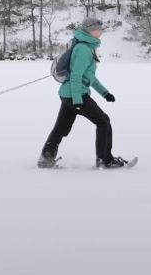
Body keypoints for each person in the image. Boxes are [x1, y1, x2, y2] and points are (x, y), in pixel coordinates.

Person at [39, 18, 129, 168]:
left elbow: (89, 77)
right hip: (76, 94)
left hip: (68, 94)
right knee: (103, 121)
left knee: (61, 128)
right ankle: (105, 159)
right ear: (90, 30)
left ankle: (45, 159)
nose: (101, 32)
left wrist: (105, 93)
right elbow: (76, 76)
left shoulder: (87, 46)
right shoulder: (84, 50)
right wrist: (77, 100)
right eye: (98, 29)